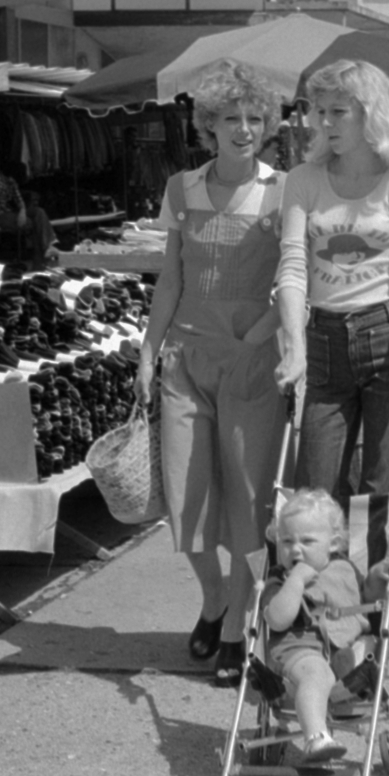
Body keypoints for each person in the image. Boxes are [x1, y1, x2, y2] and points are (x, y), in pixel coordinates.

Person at [136, 64, 288, 686]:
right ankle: (214, 597)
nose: (245, 129)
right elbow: (170, 276)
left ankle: (235, 628)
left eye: (255, 118)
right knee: (187, 496)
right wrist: (148, 352)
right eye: (231, 118)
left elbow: (299, 274)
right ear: (209, 126)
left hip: (254, 360)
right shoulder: (182, 188)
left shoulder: (286, 190)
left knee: (251, 502)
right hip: (187, 359)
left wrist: (265, 330)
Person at [275, 60, 389, 510]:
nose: (324, 122)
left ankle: (374, 580)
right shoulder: (303, 180)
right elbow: (292, 266)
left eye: (338, 111)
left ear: (372, 113)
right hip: (324, 337)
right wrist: (295, 346)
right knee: (315, 494)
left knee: (382, 491)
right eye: (318, 110)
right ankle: (323, 582)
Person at [261, 488, 368, 764]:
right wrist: (295, 581)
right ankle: (315, 738)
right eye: (286, 541)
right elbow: (277, 619)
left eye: (307, 540)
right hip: (298, 649)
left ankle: (342, 700)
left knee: (372, 647)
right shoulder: (279, 579)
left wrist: (381, 579)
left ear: (332, 544)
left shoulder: (344, 571)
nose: (295, 549)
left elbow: (370, 603)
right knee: (316, 674)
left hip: (341, 648)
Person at [0, 161, 56, 263]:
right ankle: (42, 256)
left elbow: (18, 199)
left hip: (10, 211)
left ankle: (49, 246)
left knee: (39, 212)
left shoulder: (12, 182)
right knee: (33, 224)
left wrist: (22, 211)